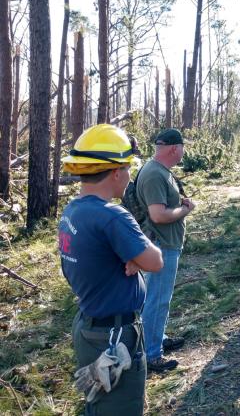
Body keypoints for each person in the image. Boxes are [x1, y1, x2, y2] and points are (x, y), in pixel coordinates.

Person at [58, 124, 163, 414]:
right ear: (116, 171)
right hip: (114, 336)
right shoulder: (112, 216)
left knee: (99, 405)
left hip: (89, 327)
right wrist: (137, 257)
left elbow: (81, 264)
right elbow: (155, 262)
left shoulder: (72, 212)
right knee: (120, 408)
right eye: (128, 168)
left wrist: (126, 257)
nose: (130, 175)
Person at [136, 128, 196, 373]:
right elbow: (158, 215)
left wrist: (178, 204)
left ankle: (156, 338)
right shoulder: (153, 174)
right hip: (161, 246)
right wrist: (185, 210)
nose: (183, 151)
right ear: (174, 148)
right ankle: (152, 355)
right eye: (182, 147)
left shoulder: (161, 172)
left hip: (165, 244)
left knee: (158, 298)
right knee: (157, 300)